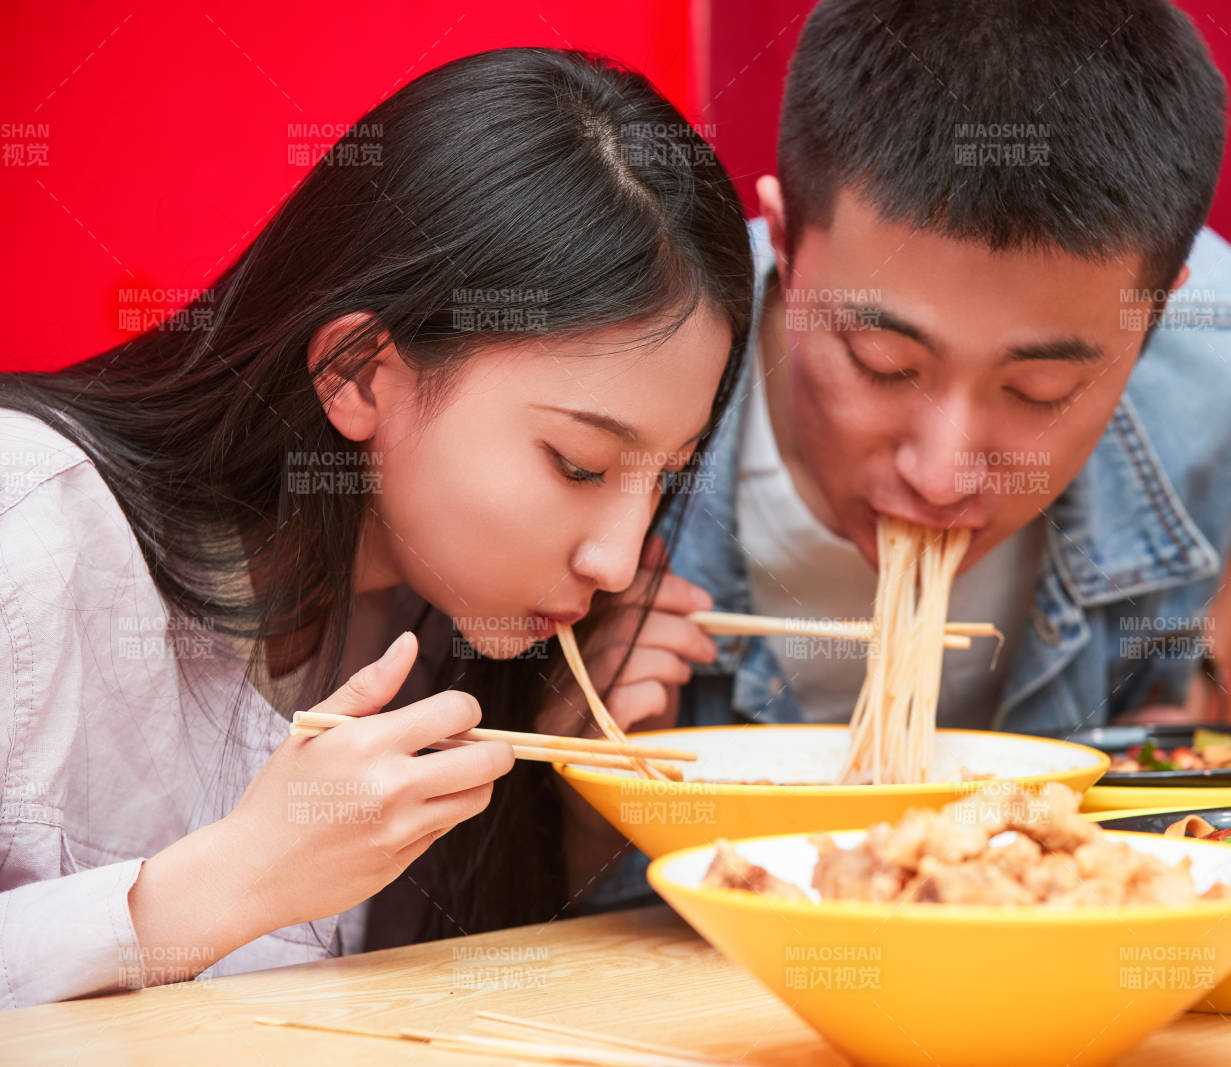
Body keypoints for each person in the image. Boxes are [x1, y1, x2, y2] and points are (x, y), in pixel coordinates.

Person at [0, 47, 750, 1007]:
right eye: (580, 464)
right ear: (358, 371)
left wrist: (572, 812)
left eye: (665, 478)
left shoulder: (452, 637)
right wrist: (224, 884)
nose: (615, 560)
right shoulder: (33, 524)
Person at [571, 0, 1231, 901]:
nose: (941, 475)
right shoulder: (603, 405)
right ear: (782, 241)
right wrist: (586, 806)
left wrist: (1202, 654)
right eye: (885, 363)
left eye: (1038, 391)